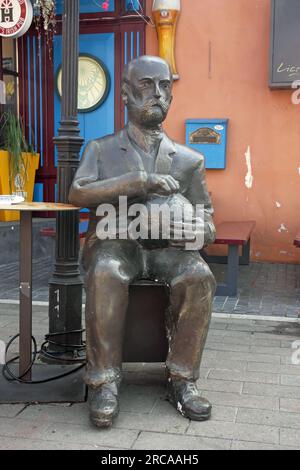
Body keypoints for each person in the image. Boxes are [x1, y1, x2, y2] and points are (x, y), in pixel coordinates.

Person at [69, 55, 216, 428]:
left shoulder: (189, 159)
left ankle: (183, 379)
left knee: (199, 276)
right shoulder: (100, 150)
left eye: (165, 86)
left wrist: (195, 232)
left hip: (167, 248)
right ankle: (104, 382)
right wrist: (136, 181)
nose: (157, 94)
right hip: (116, 243)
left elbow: (207, 221)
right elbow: (78, 193)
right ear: (125, 93)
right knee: (105, 271)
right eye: (146, 85)